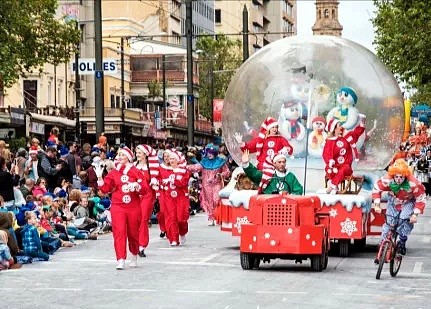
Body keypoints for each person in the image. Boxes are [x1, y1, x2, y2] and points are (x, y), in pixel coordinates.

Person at [96, 146, 148, 270]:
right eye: (119, 155)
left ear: (129, 157)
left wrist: (136, 186)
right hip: (118, 206)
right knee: (119, 232)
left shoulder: (136, 171)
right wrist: (99, 178)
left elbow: (145, 189)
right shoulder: (114, 172)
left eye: (123, 155)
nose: (120, 157)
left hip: (133, 206)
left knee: (133, 232)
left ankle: (134, 254)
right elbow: (105, 189)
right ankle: (120, 259)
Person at [372, 159, 426, 258]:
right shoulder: (387, 180)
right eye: (396, 176)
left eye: (401, 177)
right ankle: (384, 242)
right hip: (394, 200)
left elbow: (421, 198)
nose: (398, 179)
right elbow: (376, 189)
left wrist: (415, 215)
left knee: (405, 219)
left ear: (405, 175)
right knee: (389, 222)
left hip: (408, 202)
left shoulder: (413, 183)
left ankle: (402, 241)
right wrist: (377, 204)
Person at [187, 144, 230, 226]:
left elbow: (227, 172)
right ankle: (211, 217)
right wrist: (184, 166)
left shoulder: (220, 161)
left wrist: (220, 175)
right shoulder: (204, 161)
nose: (209, 154)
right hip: (206, 185)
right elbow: (195, 167)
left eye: (211, 152)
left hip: (217, 183)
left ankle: (218, 216)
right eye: (208, 152)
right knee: (209, 201)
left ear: (214, 152)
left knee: (216, 199)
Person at [322, 119, 364, 194]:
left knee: (344, 169)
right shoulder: (329, 141)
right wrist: (330, 161)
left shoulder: (346, 138)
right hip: (336, 166)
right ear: (334, 129)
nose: (341, 127)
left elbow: (354, 134)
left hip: (346, 166)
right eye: (339, 126)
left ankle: (333, 185)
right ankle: (335, 186)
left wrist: (361, 125)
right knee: (328, 168)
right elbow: (326, 153)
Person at [158, 149, 190, 246]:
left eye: (173, 159)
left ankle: (182, 233)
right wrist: (160, 184)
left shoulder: (183, 171)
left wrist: (174, 180)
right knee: (171, 218)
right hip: (169, 197)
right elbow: (160, 181)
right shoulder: (165, 170)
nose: (171, 160)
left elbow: (183, 183)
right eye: (170, 158)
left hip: (181, 197)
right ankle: (174, 239)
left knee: (181, 218)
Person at [134, 144, 159, 257]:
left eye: (139, 152)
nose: (137, 154)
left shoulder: (151, 168)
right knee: (135, 220)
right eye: (136, 152)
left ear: (145, 154)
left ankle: (141, 245)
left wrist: (155, 184)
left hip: (147, 195)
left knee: (143, 219)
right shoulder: (133, 166)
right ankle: (135, 242)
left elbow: (158, 178)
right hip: (135, 196)